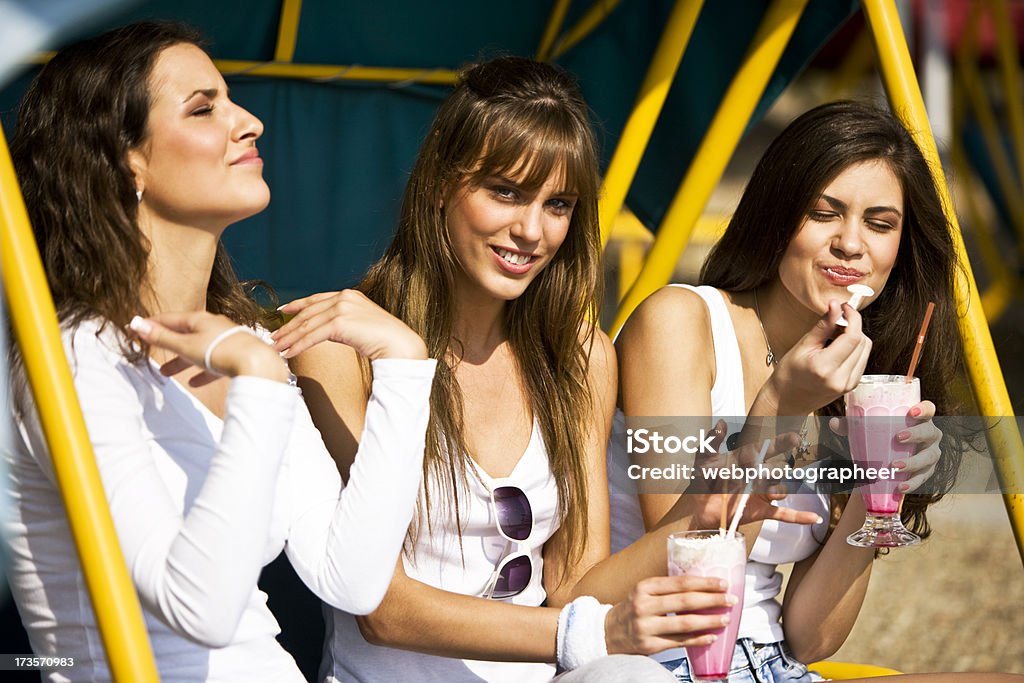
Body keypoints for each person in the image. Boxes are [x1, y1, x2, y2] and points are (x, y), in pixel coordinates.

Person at [274, 56, 819, 683]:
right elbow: (379, 608)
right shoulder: (345, 349)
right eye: (505, 191)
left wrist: (701, 511)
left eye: (557, 204)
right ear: (440, 186)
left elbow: (575, 589)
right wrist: (593, 633)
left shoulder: (579, 356)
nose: (531, 229)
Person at [3, 21, 436, 682]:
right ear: (125, 159)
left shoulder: (248, 343)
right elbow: (196, 607)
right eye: (204, 108)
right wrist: (260, 382)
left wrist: (405, 366)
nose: (251, 122)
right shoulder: (76, 354)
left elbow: (350, 576)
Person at [613, 100, 1022, 682]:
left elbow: (810, 638)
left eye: (880, 225)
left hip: (773, 665)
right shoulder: (681, 322)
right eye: (824, 214)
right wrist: (780, 406)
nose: (851, 245)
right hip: (662, 664)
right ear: (777, 214)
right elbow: (691, 563)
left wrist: (879, 488)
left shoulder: (855, 382)